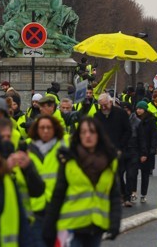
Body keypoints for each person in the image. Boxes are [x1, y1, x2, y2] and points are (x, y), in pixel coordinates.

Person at [43, 118, 121, 246]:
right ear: (78, 136)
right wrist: (49, 226)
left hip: (96, 226)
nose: (87, 135)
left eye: (92, 132)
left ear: (99, 135)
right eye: (83, 132)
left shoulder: (110, 161)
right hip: (72, 226)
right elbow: (58, 194)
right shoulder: (69, 160)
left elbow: (114, 195)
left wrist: (115, 223)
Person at [27, 115, 67, 247]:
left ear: (55, 129)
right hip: (36, 209)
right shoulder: (27, 148)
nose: (45, 131)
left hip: (58, 208)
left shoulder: (63, 148)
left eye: (49, 128)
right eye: (42, 128)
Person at [94, 93, 131, 204]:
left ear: (110, 102)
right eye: (101, 106)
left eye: (105, 105)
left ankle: (125, 196)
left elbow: (128, 131)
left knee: (119, 173)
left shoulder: (121, 113)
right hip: (103, 150)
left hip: (118, 149)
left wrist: (121, 145)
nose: (103, 108)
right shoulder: (97, 116)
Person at [125, 101, 157, 205]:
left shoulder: (151, 120)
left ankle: (143, 194)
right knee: (133, 173)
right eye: (137, 108)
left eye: (141, 108)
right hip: (136, 149)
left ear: (145, 109)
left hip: (147, 150)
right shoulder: (134, 120)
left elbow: (154, 136)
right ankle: (133, 192)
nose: (138, 110)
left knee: (145, 174)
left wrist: (152, 149)